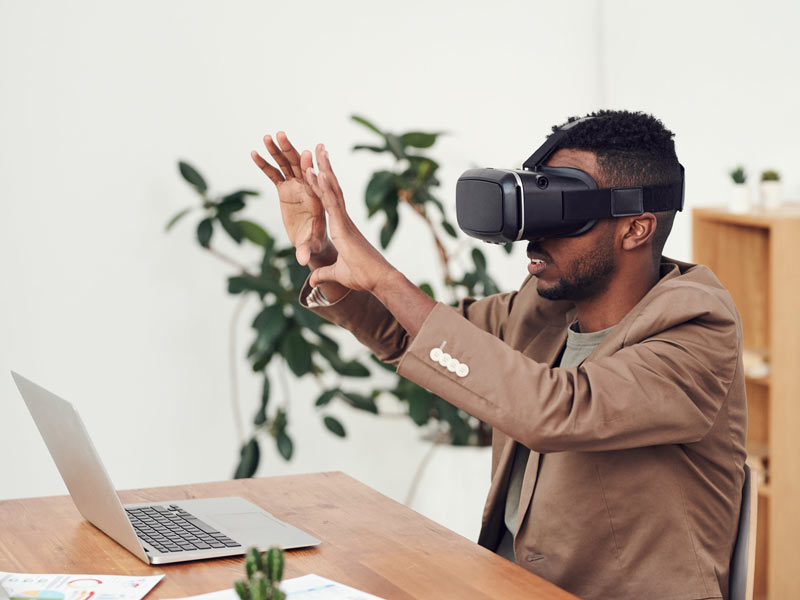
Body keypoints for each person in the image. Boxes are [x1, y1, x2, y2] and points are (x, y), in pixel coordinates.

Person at [251, 111, 747, 600]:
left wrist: (384, 274)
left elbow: (558, 411)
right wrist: (327, 257)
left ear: (635, 229)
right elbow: (417, 339)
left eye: (565, 212)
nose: (535, 234)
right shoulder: (544, 309)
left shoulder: (696, 329)